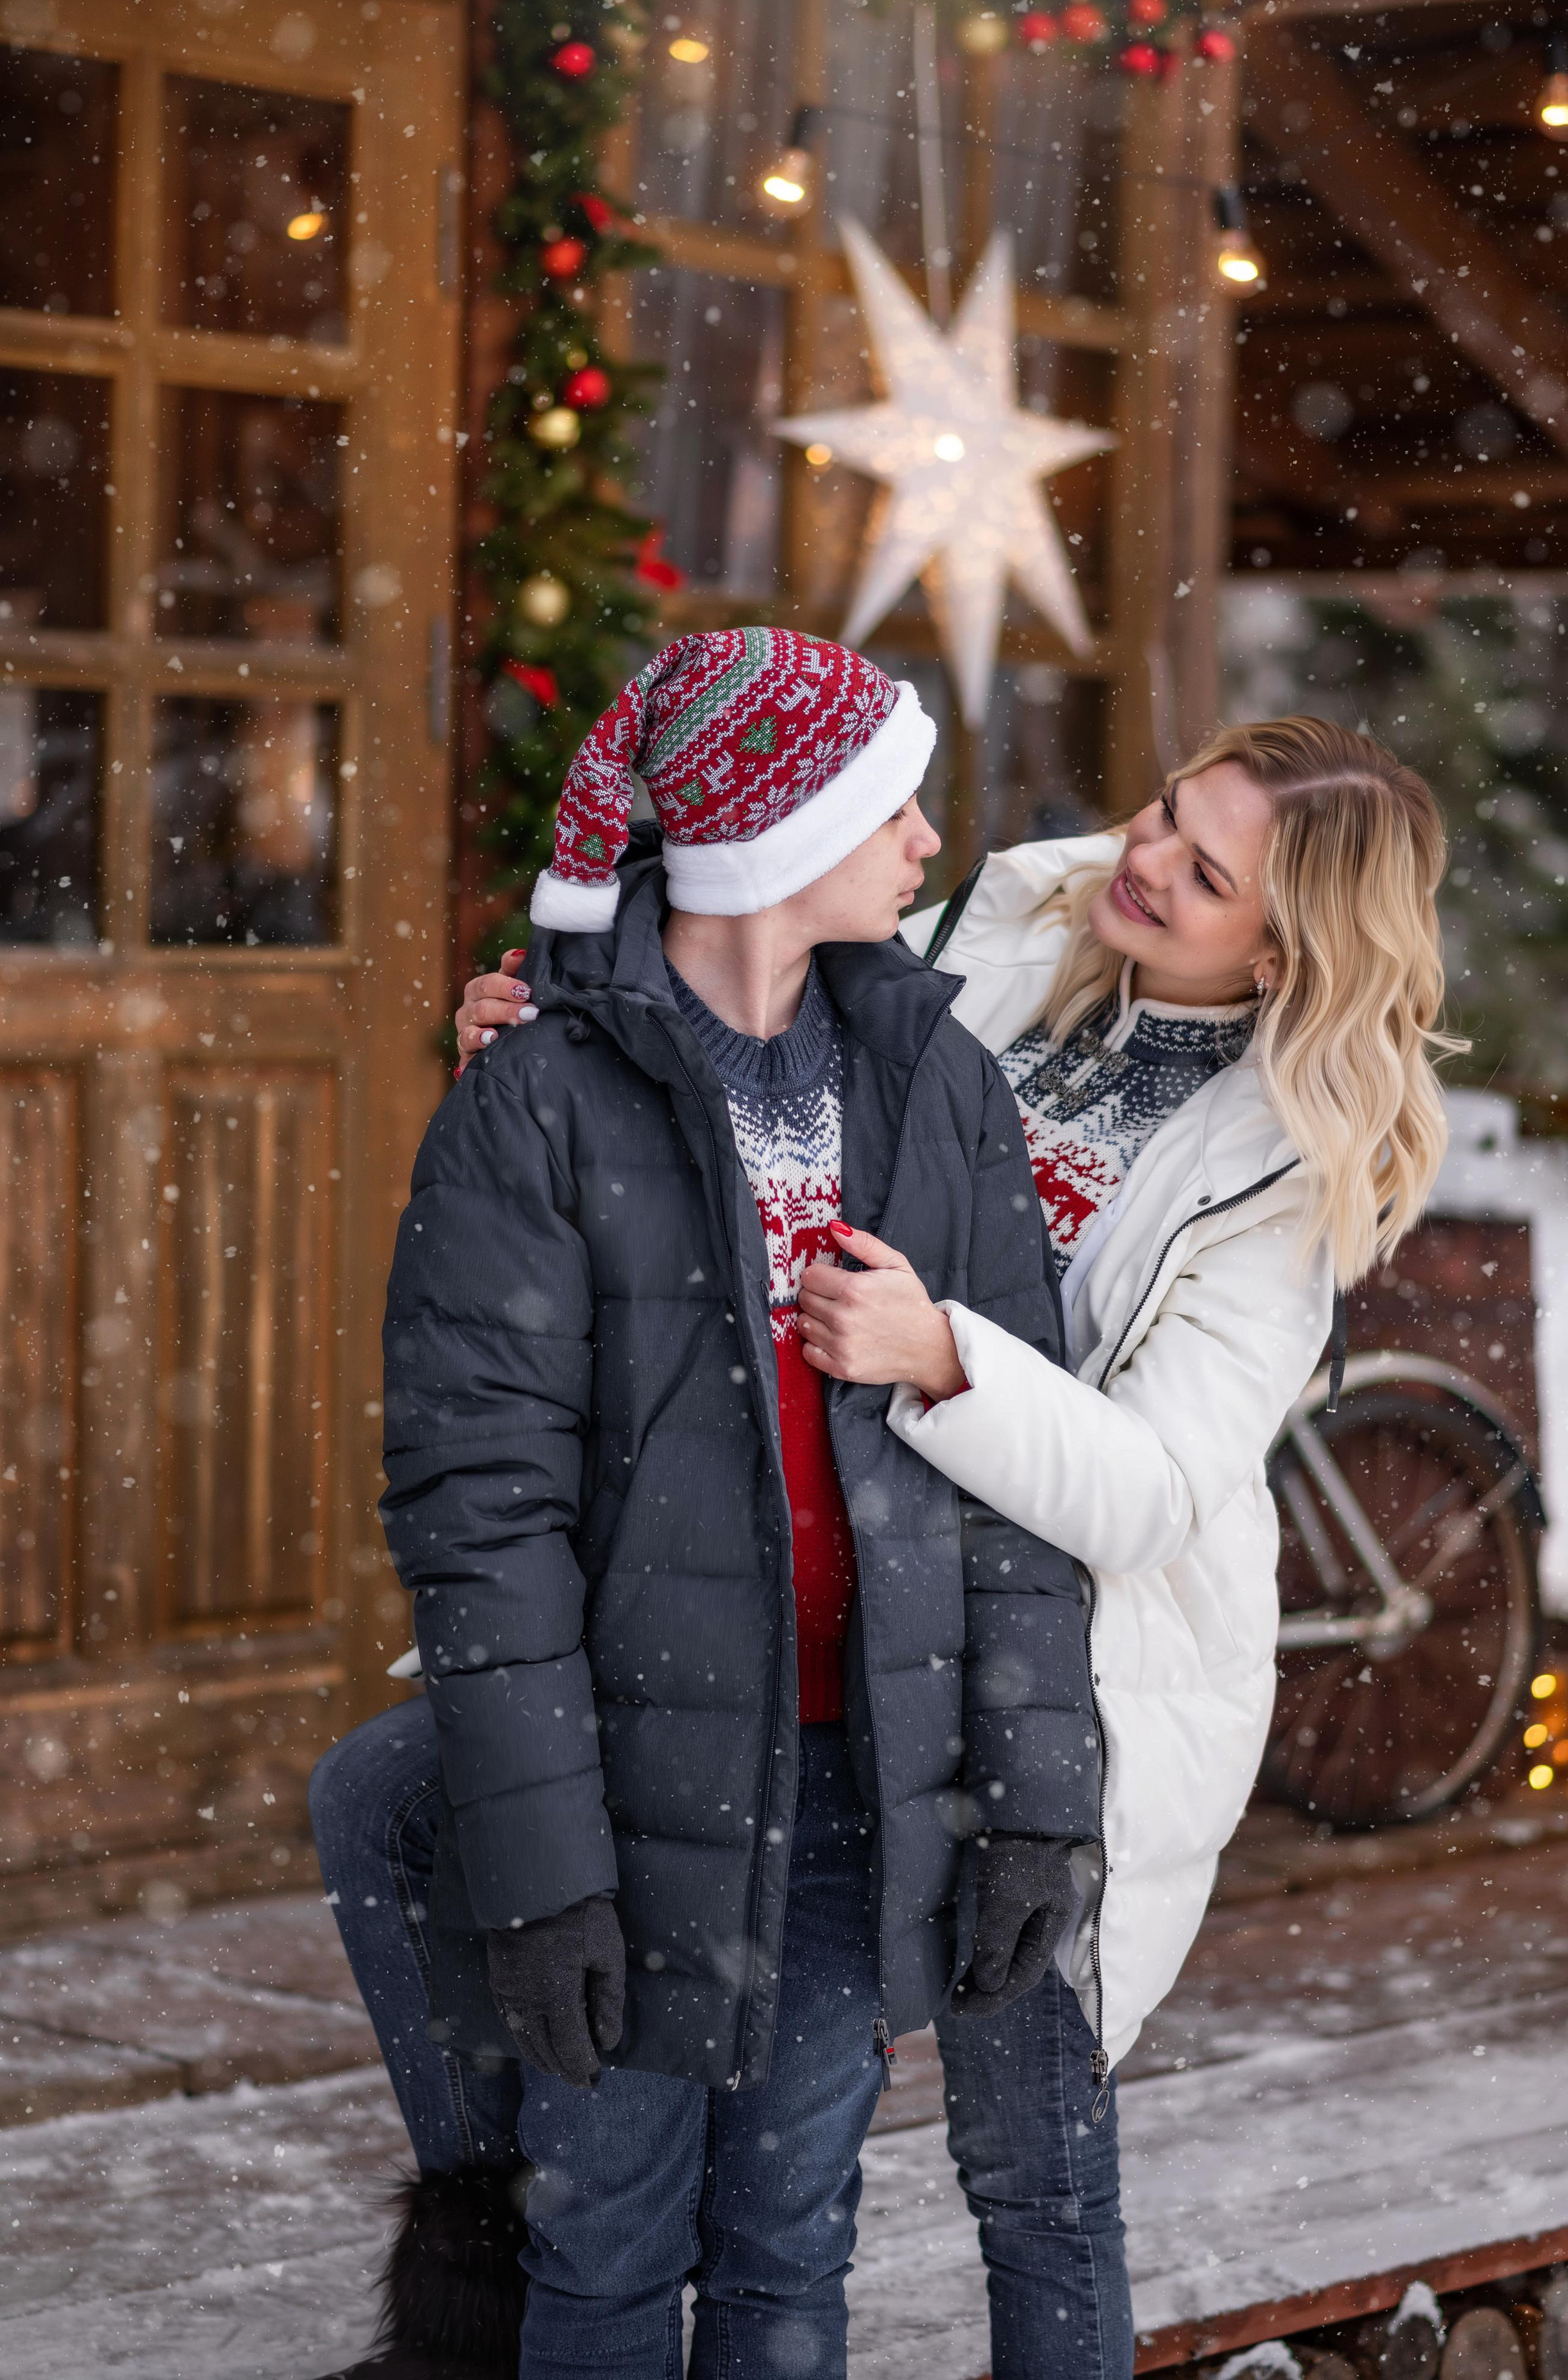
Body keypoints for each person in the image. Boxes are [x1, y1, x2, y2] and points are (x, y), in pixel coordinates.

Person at [447, 711, 1456, 2379]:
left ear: (1286, 952)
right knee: (453, 1853)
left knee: (1032, 2165)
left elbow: (1152, 1485)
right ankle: (510, 2262)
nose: (1140, 862)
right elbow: (749, 1004)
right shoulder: (1012, 934)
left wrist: (948, 1357)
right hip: (842, 1628)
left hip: (1059, 1681)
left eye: (1201, 876)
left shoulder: (1279, 1173)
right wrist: (554, 1027)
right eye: (1159, 813)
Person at [311, 626, 1102, 2380]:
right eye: (895, 808)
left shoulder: (937, 1085)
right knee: (600, 2249)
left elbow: (1015, 1480)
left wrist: (1040, 1800)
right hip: (624, 1786)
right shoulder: (539, 1103)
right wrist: (543, 1875)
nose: (925, 847)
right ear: (779, 825)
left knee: (785, 2258)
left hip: (852, 1791)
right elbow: (482, 1511)